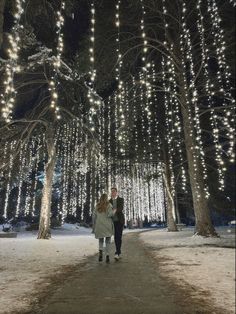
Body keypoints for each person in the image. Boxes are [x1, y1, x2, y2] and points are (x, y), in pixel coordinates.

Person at [93, 193, 115, 263]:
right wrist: (114, 211)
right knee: (108, 241)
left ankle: (100, 253)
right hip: (107, 225)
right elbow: (110, 214)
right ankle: (107, 256)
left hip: (99, 225)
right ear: (106, 198)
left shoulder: (97, 205)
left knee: (101, 240)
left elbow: (94, 215)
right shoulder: (109, 205)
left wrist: (94, 224)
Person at [109, 187, 125, 261]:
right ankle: (118, 252)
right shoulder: (109, 201)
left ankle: (117, 253)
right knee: (116, 237)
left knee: (119, 236)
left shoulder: (121, 199)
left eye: (114, 191)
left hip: (120, 221)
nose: (113, 193)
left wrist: (115, 210)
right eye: (111, 191)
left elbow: (121, 208)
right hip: (113, 222)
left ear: (116, 192)